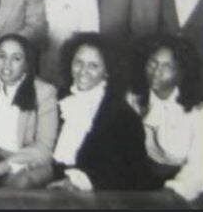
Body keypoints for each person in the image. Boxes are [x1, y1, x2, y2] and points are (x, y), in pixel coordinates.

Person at [46, 32, 156, 191]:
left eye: (93, 65)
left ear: (107, 70)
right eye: (78, 62)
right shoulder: (61, 98)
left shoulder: (122, 115)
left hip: (97, 192)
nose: (83, 71)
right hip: (56, 177)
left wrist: (79, 183)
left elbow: (131, 173)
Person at [127, 35, 203, 202]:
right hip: (138, 186)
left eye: (168, 66)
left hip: (185, 193)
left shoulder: (201, 115)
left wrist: (172, 194)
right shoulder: (132, 100)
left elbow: (200, 169)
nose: (157, 71)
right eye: (153, 62)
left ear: (182, 72)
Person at [0, 34, 58, 188]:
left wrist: (1, 168)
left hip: (26, 163)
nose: (6, 64)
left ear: (27, 63)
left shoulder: (44, 92)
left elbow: (44, 147)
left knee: (15, 188)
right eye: (2, 56)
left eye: (16, 58)